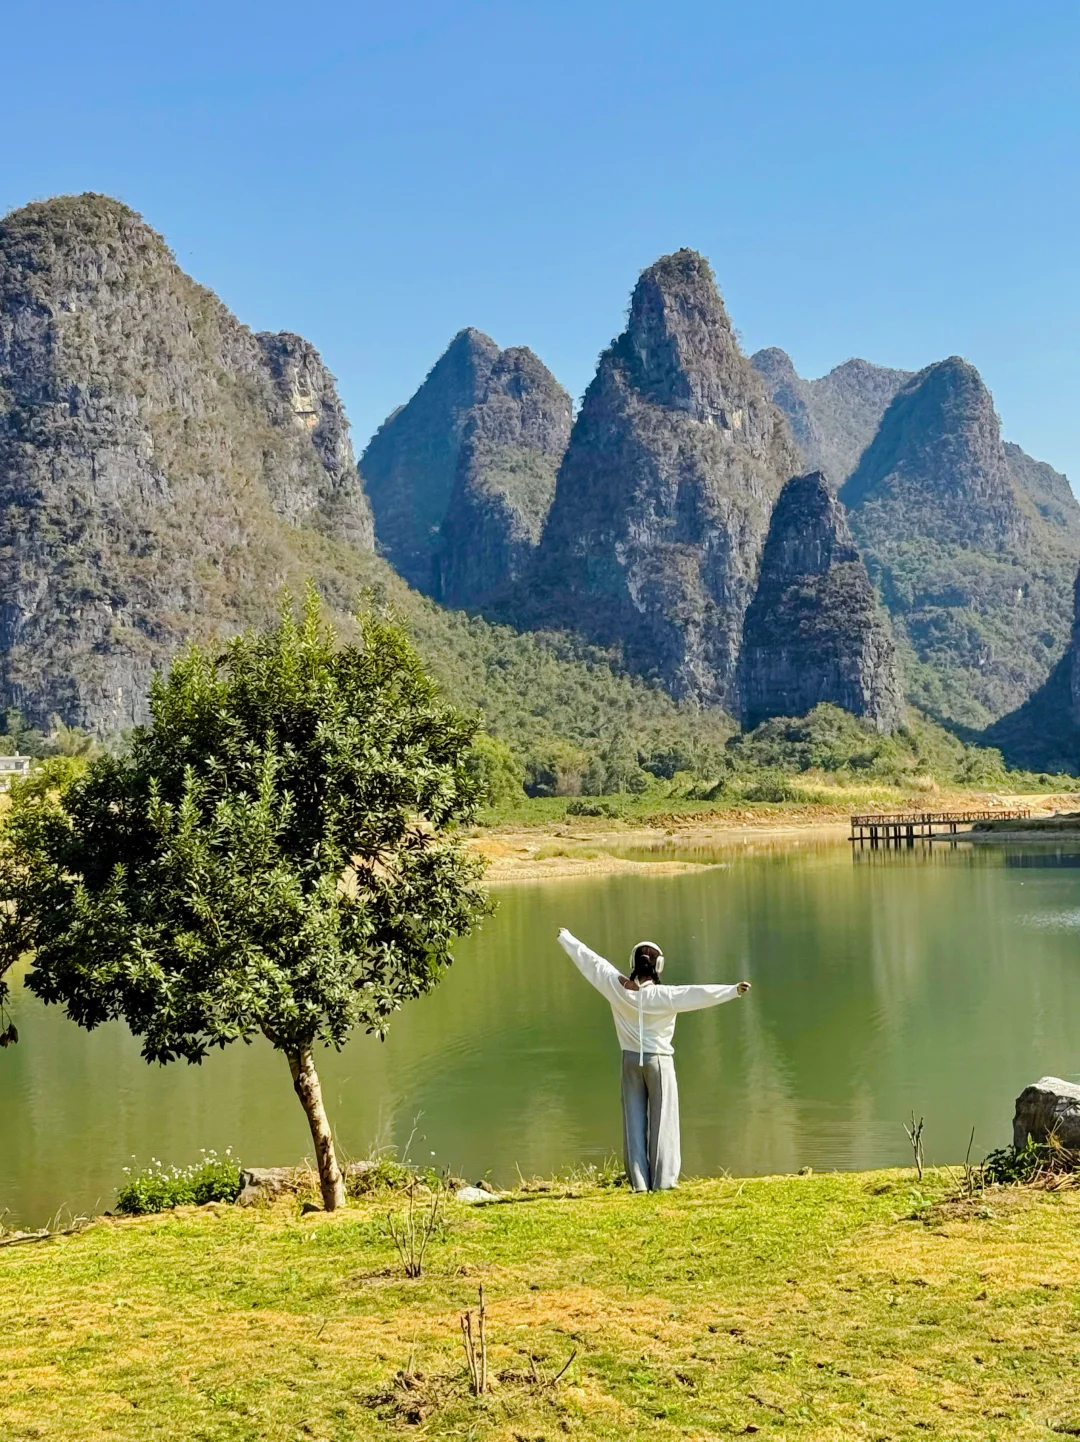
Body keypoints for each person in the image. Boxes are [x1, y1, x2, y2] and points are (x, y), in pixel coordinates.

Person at [557, 928, 750, 1192]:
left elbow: (592, 962)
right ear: (658, 966)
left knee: (633, 1122)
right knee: (664, 1121)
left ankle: (639, 1183)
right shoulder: (665, 996)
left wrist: (567, 938)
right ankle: (663, 1182)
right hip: (659, 1062)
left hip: (629, 1062)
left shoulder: (617, 988)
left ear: (633, 963)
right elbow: (699, 993)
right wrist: (732, 990)